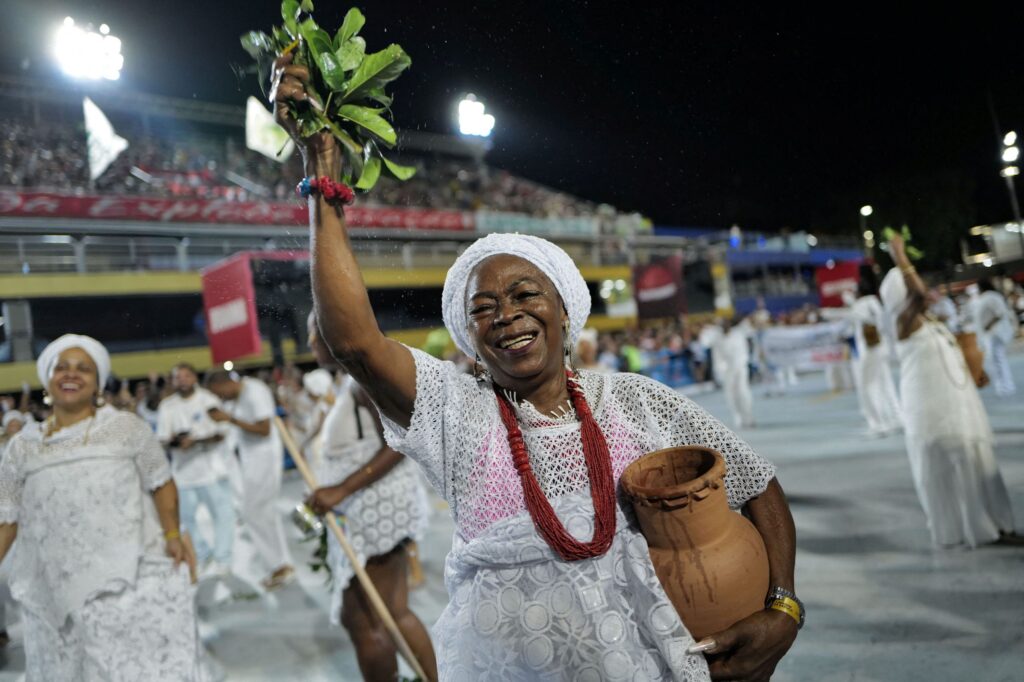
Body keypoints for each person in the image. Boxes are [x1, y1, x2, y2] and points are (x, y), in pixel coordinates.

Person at [272, 55, 799, 681]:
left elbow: (757, 482)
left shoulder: (635, 401)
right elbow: (355, 343)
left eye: (525, 295)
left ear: (564, 308)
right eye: (483, 308)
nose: (506, 315)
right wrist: (321, 175)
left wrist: (784, 605)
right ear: (469, 334)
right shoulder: (455, 410)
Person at [0, 334, 203, 679]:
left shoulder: (125, 428)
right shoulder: (22, 447)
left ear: (97, 382)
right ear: (48, 378)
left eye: (84, 369)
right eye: (61, 367)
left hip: (125, 583)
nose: (71, 374)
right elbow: (7, 516)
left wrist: (172, 533)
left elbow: (162, 481)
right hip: (53, 586)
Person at [303, 314, 436, 681]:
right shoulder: (351, 380)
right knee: (392, 612)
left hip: (374, 510)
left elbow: (398, 445)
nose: (310, 342)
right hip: (367, 507)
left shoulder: (364, 379)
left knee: (366, 621)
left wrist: (340, 489)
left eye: (314, 334)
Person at [881, 235, 1021, 548]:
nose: (925, 288)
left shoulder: (930, 322)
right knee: (954, 466)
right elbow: (917, 294)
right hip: (936, 416)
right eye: (913, 284)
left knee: (979, 462)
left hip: (960, 411)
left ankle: (998, 525)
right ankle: (976, 530)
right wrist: (900, 256)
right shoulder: (903, 322)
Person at [207, 371, 295, 590]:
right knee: (263, 512)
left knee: (253, 512)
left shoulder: (253, 392)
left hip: (264, 457)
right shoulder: (238, 396)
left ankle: (279, 565)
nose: (221, 398)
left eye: (220, 393)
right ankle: (281, 565)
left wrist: (230, 419)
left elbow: (264, 429)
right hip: (252, 458)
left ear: (227, 383)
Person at [158, 363, 236, 577]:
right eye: (177, 376)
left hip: (211, 469)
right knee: (185, 519)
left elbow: (222, 432)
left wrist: (197, 441)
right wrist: (177, 442)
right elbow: (163, 440)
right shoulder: (168, 406)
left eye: (186, 375)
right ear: (173, 381)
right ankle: (202, 554)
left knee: (223, 515)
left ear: (194, 377)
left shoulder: (208, 400)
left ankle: (223, 558)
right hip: (183, 473)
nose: (182, 380)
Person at [842, 273, 903, 436]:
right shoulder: (875, 302)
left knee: (867, 386)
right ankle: (897, 418)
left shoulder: (861, 304)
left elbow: (854, 321)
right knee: (886, 384)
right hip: (882, 347)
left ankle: (878, 424)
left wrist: (851, 306)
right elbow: (885, 323)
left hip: (869, 350)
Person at [701, 316, 756, 428]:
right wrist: (709, 328)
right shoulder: (715, 336)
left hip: (741, 367)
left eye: (726, 324)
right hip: (726, 370)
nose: (725, 327)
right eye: (722, 325)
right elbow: (704, 342)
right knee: (730, 394)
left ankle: (748, 416)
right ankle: (737, 416)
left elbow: (749, 326)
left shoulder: (738, 333)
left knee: (743, 391)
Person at [972, 278, 1017, 397]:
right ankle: (1003, 386)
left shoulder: (991, 296)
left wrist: (987, 325)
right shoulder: (988, 297)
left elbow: (999, 313)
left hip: (995, 333)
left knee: (998, 361)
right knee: (996, 361)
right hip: (991, 334)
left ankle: (1006, 387)